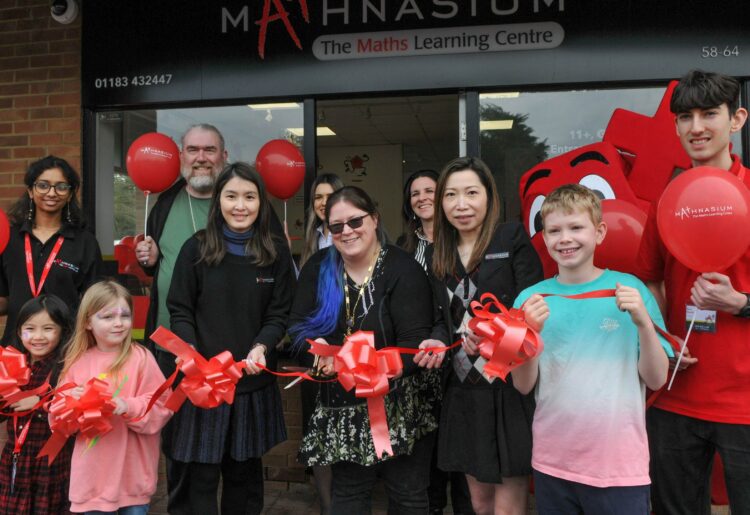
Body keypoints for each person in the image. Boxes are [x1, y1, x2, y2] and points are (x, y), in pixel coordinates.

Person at [513, 184, 672, 514]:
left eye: (576, 227)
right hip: (552, 462)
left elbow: (657, 379)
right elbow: (523, 384)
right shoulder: (529, 300)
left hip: (619, 466)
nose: (565, 238)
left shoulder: (631, 290)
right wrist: (529, 332)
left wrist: (643, 322)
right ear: (543, 238)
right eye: (554, 230)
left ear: (599, 232)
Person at [637, 70, 750, 514]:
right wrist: (662, 335)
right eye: (685, 117)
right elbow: (650, 279)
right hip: (676, 395)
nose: (696, 127)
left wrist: (740, 304)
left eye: (709, 114)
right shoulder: (667, 199)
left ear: (737, 119)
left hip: (745, 401)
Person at [288, 186, 439, 514]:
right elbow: (297, 326)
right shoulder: (319, 267)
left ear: (374, 219)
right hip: (342, 407)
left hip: (399, 404)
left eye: (355, 222)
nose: (347, 232)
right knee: (349, 495)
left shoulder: (402, 269)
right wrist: (316, 352)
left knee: (408, 495)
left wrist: (366, 366)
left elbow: (415, 343)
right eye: (336, 226)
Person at [165, 162, 293, 515]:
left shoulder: (276, 252)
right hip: (203, 384)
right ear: (218, 200)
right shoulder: (197, 249)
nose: (241, 205)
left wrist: (262, 345)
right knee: (199, 477)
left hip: (250, 383)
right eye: (231, 196)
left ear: (260, 201)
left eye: (249, 197)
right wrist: (188, 349)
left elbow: (279, 313)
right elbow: (180, 308)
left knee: (244, 476)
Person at [429, 156, 542, 515]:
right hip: (462, 393)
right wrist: (434, 340)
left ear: (489, 196)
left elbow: (532, 308)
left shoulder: (510, 237)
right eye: (451, 195)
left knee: (509, 506)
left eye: (471, 193)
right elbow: (439, 319)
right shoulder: (439, 253)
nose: (461, 204)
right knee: (479, 503)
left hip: (507, 390)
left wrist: (494, 335)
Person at [53, 280, 172, 515]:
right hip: (93, 479)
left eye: (125, 315)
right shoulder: (77, 362)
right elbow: (58, 421)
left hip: (133, 477)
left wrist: (128, 405)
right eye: (107, 317)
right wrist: (71, 403)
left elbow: (162, 405)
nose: (118, 323)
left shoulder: (142, 358)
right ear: (88, 322)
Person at [397, 169, 474, 515]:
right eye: (415, 193)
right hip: (419, 365)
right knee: (426, 454)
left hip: (457, 356)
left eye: (431, 190)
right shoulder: (402, 247)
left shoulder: (457, 241)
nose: (423, 197)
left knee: (458, 450)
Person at [135, 123, 228, 371]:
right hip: (170, 344)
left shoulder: (243, 202)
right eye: (192, 150)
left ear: (224, 156)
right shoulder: (164, 205)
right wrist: (150, 262)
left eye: (209, 150)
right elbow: (156, 267)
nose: (201, 158)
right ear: (181, 156)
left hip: (226, 345)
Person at [0, 155, 102, 345]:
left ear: (70, 194)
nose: (52, 193)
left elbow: (95, 304)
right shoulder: (10, 239)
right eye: (43, 185)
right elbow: (4, 300)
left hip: (66, 351)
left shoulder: (84, 242)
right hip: (15, 349)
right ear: (30, 190)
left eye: (61, 186)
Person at [295, 172, 343, 515]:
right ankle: (327, 505)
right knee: (319, 433)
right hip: (315, 352)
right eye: (317, 197)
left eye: (331, 195)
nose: (324, 202)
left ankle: (349, 501)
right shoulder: (308, 244)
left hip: (352, 352)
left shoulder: (365, 236)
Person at [0, 295, 74, 515]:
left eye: (48, 329)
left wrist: (41, 404)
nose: (38, 337)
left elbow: (73, 409)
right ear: (19, 330)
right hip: (15, 457)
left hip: (49, 461)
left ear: (62, 330)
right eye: (29, 329)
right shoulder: (11, 364)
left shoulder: (65, 367)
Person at [299, 173, 344, 268]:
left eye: (330, 197)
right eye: (318, 197)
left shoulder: (349, 234)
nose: (324, 203)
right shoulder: (313, 236)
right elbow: (304, 277)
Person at [396, 169, 438, 271]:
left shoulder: (459, 239)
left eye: (429, 191)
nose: (421, 198)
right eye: (415, 194)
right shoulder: (402, 244)